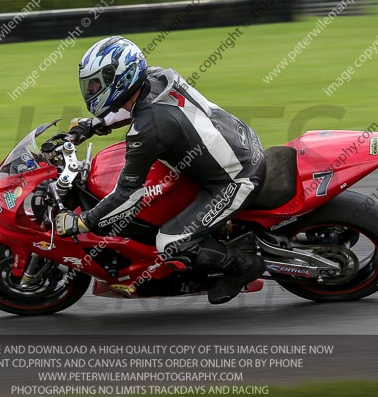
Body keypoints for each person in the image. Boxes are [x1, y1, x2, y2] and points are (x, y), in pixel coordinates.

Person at [55, 35, 265, 305]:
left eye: (97, 83)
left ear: (121, 77)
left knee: (170, 241)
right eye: (90, 84)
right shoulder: (155, 77)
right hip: (239, 141)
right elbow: (133, 108)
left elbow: (128, 194)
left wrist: (84, 221)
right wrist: (92, 124)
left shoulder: (147, 130)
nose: (92, 89)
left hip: (237, 178)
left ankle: (243, 266)